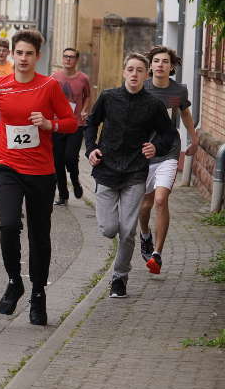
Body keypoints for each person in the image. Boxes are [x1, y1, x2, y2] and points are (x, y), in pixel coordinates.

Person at [0, 29, 77, 326]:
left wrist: (50, 124)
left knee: (39, 235)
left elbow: (72, 123)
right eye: (19, 53)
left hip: (42, 171)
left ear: (37, 57)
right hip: (7, 165)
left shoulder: (49, 86)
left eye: (28, 54)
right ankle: (13, 281)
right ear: (12, 54)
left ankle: (37, 294)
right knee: (8, 225)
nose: (22, 58)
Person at [84, 53, 175, 298]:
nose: (134, 74)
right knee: (109, 228)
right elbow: (91, 124)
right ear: (124, 72)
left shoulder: (153, 105)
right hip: (106, 170)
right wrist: (91, 148)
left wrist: (157, 147)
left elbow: (169, 135)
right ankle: (118, 266)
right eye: (130, 69)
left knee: (128, 231)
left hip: (135, 172)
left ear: (146, 75)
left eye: (139, 70)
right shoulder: (108, 97)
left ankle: (119, 278)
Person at [138, 46, 198, 275]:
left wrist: (194, 138)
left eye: (165, 61)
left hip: (169, 151)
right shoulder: (142, 87)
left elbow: (184, 113)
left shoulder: (178, 91)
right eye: (156, 61)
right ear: (150, 66)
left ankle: (157, 254)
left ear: (171, 66)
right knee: (145, 205)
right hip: (144, 152)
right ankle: (145, 235)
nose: (160, 65)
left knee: (161, 200)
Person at [51, 47, 92, 206]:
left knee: (70, 157)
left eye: (71, 57)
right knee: (57, 161)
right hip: (58, 124)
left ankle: (75, 181)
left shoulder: (83, 78)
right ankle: (63, 194)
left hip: (76, 124)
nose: (68, 59)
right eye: (65, 56)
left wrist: (84, 109)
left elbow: (87, 96)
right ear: (62, 59)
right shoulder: (54, 77)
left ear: (76, 60)